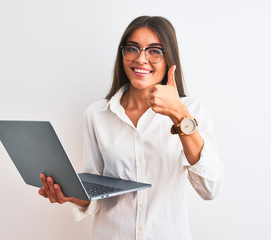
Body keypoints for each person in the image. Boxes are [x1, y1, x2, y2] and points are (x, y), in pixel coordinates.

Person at [38, 16, 224, 240]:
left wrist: (179, 114)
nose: (141, 58)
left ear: (169, 58)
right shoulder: (96, 114)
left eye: (154, 50)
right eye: (132, 48)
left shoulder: (192, 111)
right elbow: (96, 196)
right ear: (122, 54)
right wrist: (69, 194)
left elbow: (210, 188)